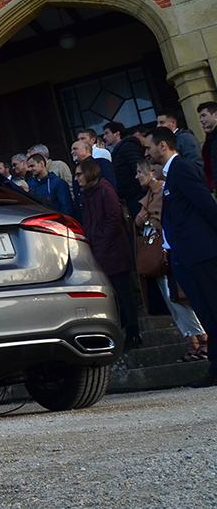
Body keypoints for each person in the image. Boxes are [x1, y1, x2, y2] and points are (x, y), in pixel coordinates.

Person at [146, 126, 217, 388]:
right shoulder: (170, 174)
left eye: (149, 147)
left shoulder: (182, 168)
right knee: (207, 313)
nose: (147, 152)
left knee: (213, 309)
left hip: (201, 253)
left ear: (163, 146)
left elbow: (206, 205)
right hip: (185, 256)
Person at [135, 160, 208, 362]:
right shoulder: (149, 196)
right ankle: (192, 342)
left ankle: (203, 340)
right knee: (172, 300)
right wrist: (139, 223)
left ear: (150, 172)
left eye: (139, 172)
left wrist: (147, 221)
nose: (136, 177)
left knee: (179, 298)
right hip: (156, 255)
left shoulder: (164, 190)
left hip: (168, 251)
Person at [76, 157, 141, 348]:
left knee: (124, 293)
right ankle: (122, 332)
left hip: (113, 250)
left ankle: (133, 333)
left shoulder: (104, 190)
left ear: (89, 173)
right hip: (100, 249)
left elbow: (114, 219)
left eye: (80, 174)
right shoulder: (87, 194)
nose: (77, 178)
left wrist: (101, 240)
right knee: (113, 295)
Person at [104, 121, 145, 216]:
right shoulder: (117, 152)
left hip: (136, 197)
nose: (104, 137)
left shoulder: (128, 147)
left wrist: (130, 194)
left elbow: (137, 168)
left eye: (107, 133)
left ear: (117, 134)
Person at [26, 153, 74, 217]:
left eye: (32, 166)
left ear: (41, 164)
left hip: (58, 222)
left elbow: (67, 207)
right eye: (28, 167)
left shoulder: (58, 183)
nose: (29, 169)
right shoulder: (30, 185)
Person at [198, 101, 217, 192]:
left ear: (215, 115)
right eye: (200, 117)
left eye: (204, 115)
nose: (201, 120)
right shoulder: (211, 138)